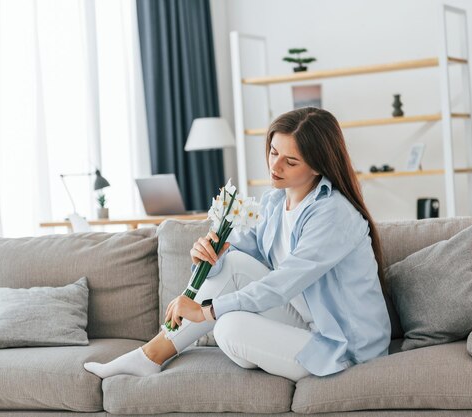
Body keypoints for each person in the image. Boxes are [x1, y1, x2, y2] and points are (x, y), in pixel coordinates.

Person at [84, 107, 391, 382]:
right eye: (273, 152)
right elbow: (239, 258)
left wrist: (205, 312)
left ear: (317, 167)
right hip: (303, 320)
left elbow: (281, 284)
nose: (275, 166)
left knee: (227, 327)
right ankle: (150, 355)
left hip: (341, 345)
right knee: (228, 266)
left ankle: (157, 354)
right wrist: (208, 256)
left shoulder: (333, 214)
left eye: (290, 161)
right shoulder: (275, 203)